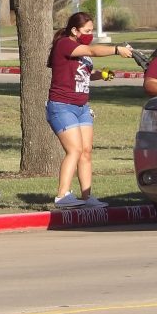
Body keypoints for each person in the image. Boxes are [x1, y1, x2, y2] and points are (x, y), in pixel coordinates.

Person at [47, 12, 134, 209]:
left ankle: (87, 197)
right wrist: (116, 49)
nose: (90, 34)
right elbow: (93, 51)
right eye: (86, 31)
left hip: (82, 106)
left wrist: (101, 75)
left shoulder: (79, 49)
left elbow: (82, 73)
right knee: (75, 150)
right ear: (74, 30)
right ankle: (62, 196)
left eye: (91, 30)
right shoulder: (65, 44)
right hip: (62, 106)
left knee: (86, 151)